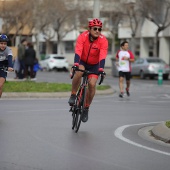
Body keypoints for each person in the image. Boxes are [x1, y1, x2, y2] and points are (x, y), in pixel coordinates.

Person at [68, 18, 108, 122]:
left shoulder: (103, 40)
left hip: (95, 65)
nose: (97, 31)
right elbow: (78, 50)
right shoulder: (82, 37)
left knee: (92, 84)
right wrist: (76, 64)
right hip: (82, 62)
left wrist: (101, 69)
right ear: (89, 29)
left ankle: (86, 107)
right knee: (79, 72)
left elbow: (102, 56)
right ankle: (73, 94)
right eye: (95, 29)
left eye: (100, 29)